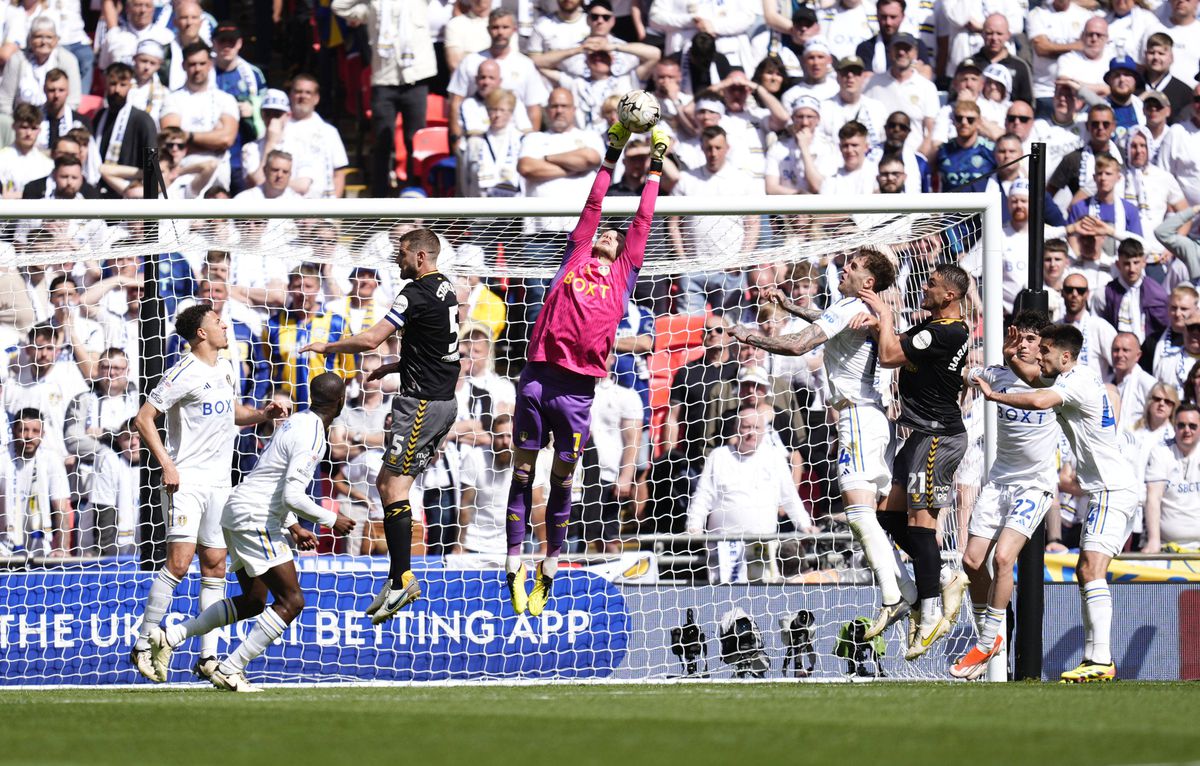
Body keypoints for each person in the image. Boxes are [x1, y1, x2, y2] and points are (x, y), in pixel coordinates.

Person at [499, 121, 669, 616]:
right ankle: (514, 563)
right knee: (522, 474)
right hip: (537, 378)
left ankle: (549, 568)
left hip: (577, 393)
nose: (610, 237)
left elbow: (642, 219)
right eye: (605, 235)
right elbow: (594, 206)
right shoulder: (575, 256)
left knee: (562, 482)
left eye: (616, 238)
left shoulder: (623, 274)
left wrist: (654, 165)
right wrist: (611, 152)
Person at [732, 249, 915, 637]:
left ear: (868, 282)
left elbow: (799, 345)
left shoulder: (852, 305)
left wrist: (749, 336)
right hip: (873, 416)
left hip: (859, 416)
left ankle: (896, 593)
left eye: (853, 266)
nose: (843, 269)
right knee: (874, 517)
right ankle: (914, 586)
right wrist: (791, 307)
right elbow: (823, 323)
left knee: (860, 514)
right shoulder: (856, 308)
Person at [147, 373, 356, 693]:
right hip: (255, 518)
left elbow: (272, 479)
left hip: (240, 511)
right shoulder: (314, 435)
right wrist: (332, 518)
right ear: (340, 402)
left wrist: (294, 527)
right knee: (292, 600)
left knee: (253, 601)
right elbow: (292, 495)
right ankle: (231, 669)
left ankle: (169, 637)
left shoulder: (297, 422)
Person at [298, 228, 461, 625]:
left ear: (421, 257)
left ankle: (401, 577)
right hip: (440, 399)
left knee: (391, 486)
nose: (397, 260)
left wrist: (328, 346)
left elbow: (371, 339)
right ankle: (397, 578)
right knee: (391, 485)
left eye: (402, 253)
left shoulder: (415, 293)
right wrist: (399, 364)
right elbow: (440, 346)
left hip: (421, 404)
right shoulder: (445, 289)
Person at [129, 302, 286, 684]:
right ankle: (144, 641)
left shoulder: (227, 369)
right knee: (180, 564)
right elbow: (143, 419)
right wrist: (167, 464)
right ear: (201, 333)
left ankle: (208, 657)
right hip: (187, 481)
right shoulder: (182, 371)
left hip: (220, 482)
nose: (225, 326)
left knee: (215, 564)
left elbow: (231, 413)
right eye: (218, 322)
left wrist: (263, 414)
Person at [976, 323, 1137, 682]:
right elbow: (1035, 381)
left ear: (1065, 356)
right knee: (1086, 571)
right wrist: (1010, 359)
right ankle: (1096, 659)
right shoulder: (1072, 377)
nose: (1040, 357)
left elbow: (1037, 399)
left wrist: (995, 396)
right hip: (1106, 489)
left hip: (1113, 489)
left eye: (1045, 352)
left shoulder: (1074, 382)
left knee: (1091, 570)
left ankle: (1101, 659)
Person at [856, 263, 973, 659]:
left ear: (950, 296)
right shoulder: (936, 329)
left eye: (933, 284)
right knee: (887, 513)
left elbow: (890, 354)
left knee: (921, 526)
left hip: (939, 437)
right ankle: (943, 576)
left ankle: (929, 614)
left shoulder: (944, 331)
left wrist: (885, 316)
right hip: (922, 434)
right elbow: (896, 344)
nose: (925, 287)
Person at [952, 311, 1062, 679]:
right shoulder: (996, 373)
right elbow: (962, 374)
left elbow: (1032, 387)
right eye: (1022, 338)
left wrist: (1002, 369)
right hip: (999, 482)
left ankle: (986, 640)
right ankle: (992, 627)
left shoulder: (1054, 379)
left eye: (1033, 340)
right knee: (970, 562)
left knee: (1003, 559)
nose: (1026, 345)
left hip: (1035, 484)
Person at [686, 406, 816, 583]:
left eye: (756, 428)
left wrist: (804, 524)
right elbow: (703, 495)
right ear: (736, 430)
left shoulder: (775, 458)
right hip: (723, 547)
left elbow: (790, 496)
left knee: (761, 593)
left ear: (765, 431)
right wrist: (694, 524)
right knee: (723, 598)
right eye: (746, 427)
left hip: (761, 545)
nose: (751, 433)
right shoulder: (718, 456)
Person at [332, 0, 436, 197]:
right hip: (384, 80)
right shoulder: (374, 5)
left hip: (416, 78)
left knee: (414, 140)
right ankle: (379, 197)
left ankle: (415, 192)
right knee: (381, 142)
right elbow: (339, 6)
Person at [1142, 404, 1200, 553]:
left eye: (1193, 426)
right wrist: (1153, 540)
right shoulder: (1160, 452)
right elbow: (1153, 498)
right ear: (1174, 427)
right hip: (1167, 547)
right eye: (1181, 425)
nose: (1187, 430)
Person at [1110, 332, 1158, 432]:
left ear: (1138, 355)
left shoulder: (1149, 384)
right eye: (1116, 350)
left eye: (1125, 350)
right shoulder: (1106, 383)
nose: (1119, 354)